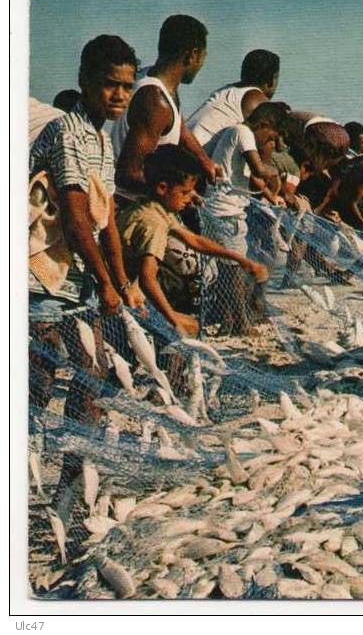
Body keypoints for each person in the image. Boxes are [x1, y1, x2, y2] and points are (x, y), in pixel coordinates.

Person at [29, 34, 146, 488]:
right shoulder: (66, 131)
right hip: (40, 281)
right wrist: (106, 282)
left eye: (127, 86)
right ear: (83, 81)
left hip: (75, 285)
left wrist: (123, 280)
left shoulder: (101, 141)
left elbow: (108, 222)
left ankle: (71, 479)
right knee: (35, 385)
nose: (119, 95)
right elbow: (77, 220)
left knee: (92, 373)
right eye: (108, 84)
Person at [117, 145, 268, 337]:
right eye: (185, 192)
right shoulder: (153, 224)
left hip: (132, 284)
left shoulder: (156, 207)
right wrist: (174, 320)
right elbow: (148, 279)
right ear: (163, 188)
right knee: (184, 325)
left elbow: (195, 241)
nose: (191, 198)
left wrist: (242, 260)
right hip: (125, 291)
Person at [112, 14, 221, 203]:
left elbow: (179, 127)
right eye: (203, 57)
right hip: (130, 206)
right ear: (192, 55)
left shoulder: (158, 82)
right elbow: (127, 174)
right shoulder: (155, 101)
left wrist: (204, 160)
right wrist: (178, 192)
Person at [186, 49, 280, 146]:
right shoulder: (256, 99)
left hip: (181, 147)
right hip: (196, 156)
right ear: (271, 80)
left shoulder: (225, 90)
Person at [205, 101, 290, 205]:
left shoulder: (242, 136)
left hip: (232, 205)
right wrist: (276, 173)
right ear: (263, 125)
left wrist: (272, 197)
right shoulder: (243, 132)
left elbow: (254, 178)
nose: (267, 143)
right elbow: (259, 170)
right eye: (270, 138)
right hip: (224, 206)